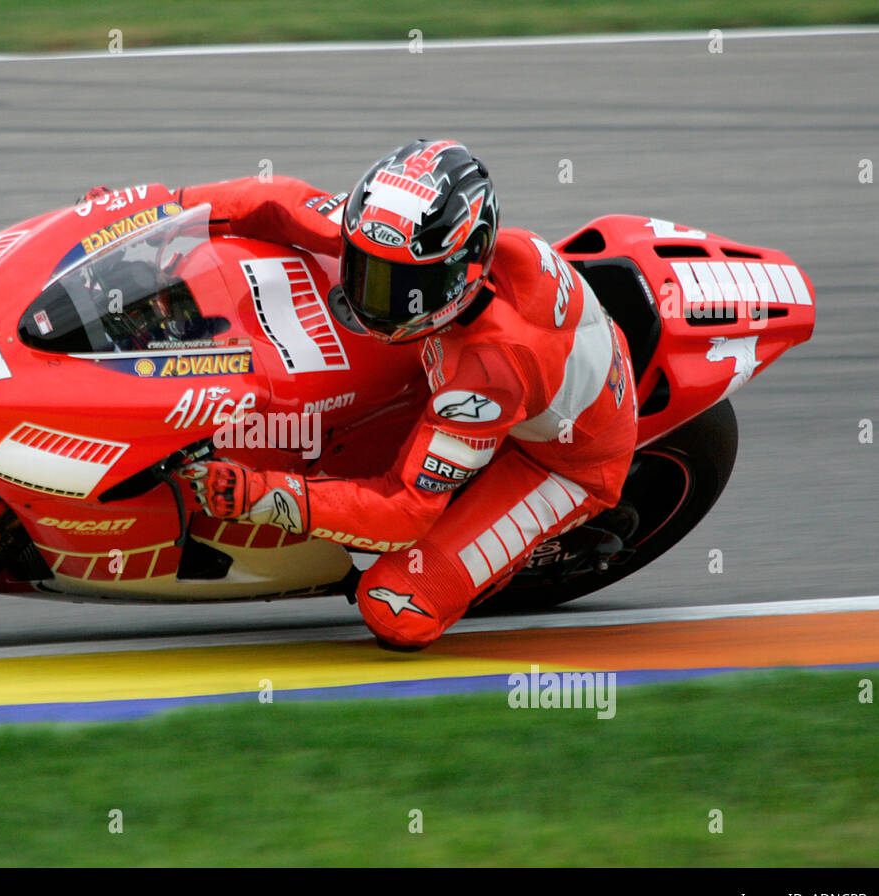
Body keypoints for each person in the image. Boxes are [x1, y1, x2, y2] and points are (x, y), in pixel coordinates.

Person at [168, 139, 638, 650]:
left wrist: (264, 497)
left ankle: (516, 555)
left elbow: (404, 511)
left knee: (396, 611)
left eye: (400, 286)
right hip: (507, 357)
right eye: (365, 271)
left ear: (463, 266)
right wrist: (166, 206)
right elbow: (279, 201)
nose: (373, 299)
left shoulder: (488, 371)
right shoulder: (409, 239)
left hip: (561, 464)